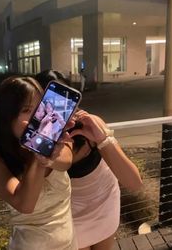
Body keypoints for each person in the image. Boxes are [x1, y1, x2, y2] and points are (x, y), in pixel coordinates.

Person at [35, 70, 143, 250]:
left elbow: (134, 183)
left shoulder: (91, 124)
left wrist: (101, 139)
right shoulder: (39, 141)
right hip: (71, 213)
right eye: (48, 100)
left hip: (105, 201)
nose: (58, 106)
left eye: (64, 97)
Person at [0, 76, 78, 250]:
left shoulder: (60, 140)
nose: (38, 117)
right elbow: (25, 205)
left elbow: (66, 163)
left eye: (40, 108)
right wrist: (38, 152)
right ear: (7, 117)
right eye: (26, 110)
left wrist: (46, 146)